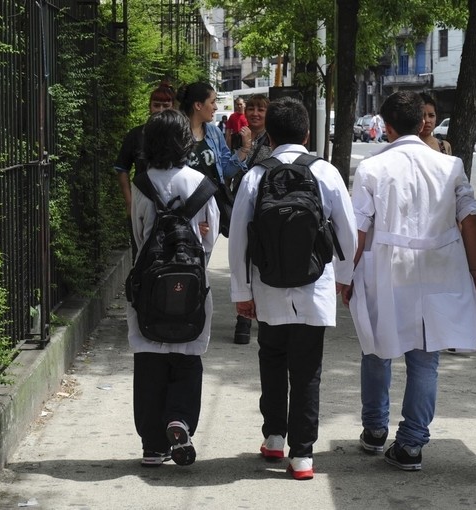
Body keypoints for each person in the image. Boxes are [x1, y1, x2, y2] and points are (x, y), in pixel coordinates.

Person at [344, 91, 476, 472]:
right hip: (440, 268)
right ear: (422, 123)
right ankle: (412, 444)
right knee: (425, 359)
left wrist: (345, 276)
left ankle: (374, 430)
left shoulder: (371, 168)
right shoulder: (450, 166)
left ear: (386, 127)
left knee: (376, 349)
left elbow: (358, 231)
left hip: (386, 269)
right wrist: (474, 269)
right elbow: (470, 217)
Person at [228, 96, 358, 480]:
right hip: (314, 286)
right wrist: (344, 277)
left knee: (271, 360)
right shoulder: (325, 172)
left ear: (269, 133)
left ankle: (274, 437)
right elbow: (347, 234)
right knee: (307, 369)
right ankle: (302, 456)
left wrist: (242, 292)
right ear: (306, 132)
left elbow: (238, 238)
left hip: (268, 287)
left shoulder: (256, 175)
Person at [127, 109, 220, 468]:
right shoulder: (201, 183)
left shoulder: (141, 184)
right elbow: (210, 241)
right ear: (186, 142)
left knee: (150, 359)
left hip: (149, 286)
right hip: (192, 286)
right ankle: (179, 419)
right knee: (186, 356)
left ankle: (152, 444)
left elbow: (138, 236)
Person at [177, 82, 248, 239]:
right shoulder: (175, 133)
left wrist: (244, 150)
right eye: (213, 102)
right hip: (184, 209)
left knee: (203, 258)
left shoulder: (214, 133)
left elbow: (226, 171)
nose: (216, 107)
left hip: (211, 208)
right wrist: (191, 220)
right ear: (198, 105)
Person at [113, 82, 175, 261]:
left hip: (172, 203)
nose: (161, 110)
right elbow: (121, 168)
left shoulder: (179, 134)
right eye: (157, 105)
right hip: (142, 202)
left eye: (166, 105)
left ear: (173, 107)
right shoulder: (136, 135)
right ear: (149, 106)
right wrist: (129, 201)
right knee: (140, 256)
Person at [231, 93, 272, 345]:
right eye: (252, 109)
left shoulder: (273, 139)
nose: (255, 113)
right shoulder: (240, 135)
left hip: (264, 205)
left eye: (261, 110)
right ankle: (243, 319)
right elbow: (232, 168)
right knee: (243, 257)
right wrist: (243, 148)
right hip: (240, 201)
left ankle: (262, 314)